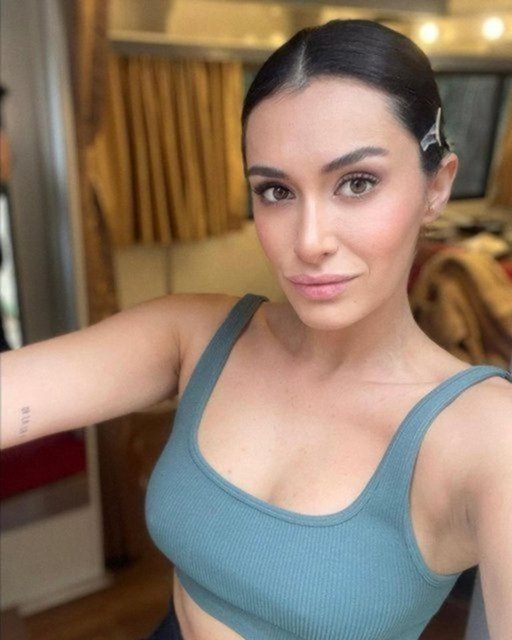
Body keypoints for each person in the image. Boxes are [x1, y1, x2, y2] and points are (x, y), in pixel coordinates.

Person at [1, 18, 511, 640]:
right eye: (275, 191)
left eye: (357, 183)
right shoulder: (195, 333)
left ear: (437, 186)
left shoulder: (490, 435)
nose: (310, 241)